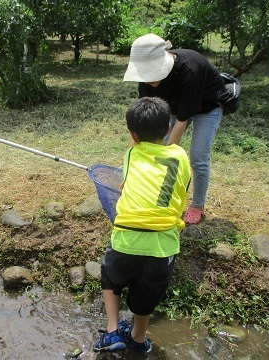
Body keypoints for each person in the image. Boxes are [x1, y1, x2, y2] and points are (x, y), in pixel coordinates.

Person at [93, 97, 191, 353]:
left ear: (132, 135)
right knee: (146, 295)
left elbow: (126, 180)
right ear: (168, 128)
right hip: (163, 244)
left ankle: (113, 331)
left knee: (110, 278)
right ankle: (138, 339)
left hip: (126, 238)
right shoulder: (181, 156)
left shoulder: (131, 153)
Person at [123, 33, 230, 225]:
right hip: (174, 106)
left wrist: (162, 157)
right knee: (159, 145)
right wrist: (129, 164)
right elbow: (141, 125)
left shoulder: (189, 69)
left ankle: (197, 205)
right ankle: (156, 193)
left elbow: (182, 120)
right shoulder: (145, 80)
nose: (149, 81)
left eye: (152, 74)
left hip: (207, 106)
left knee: (197, 156)